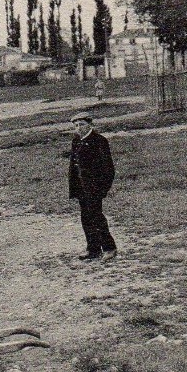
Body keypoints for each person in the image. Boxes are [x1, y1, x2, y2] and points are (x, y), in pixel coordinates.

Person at [68, 112, 117, 261]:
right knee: (86, 217)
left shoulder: (99, 141)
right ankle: (93, 248)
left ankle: (109, 247)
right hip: (81, 188)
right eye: (76, 125)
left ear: (90, 125)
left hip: (94, 188)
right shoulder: (76, 141)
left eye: (82, 124)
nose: (79, 128)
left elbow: (108, 169)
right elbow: (74, 166)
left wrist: (102, 189)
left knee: (96, 217)